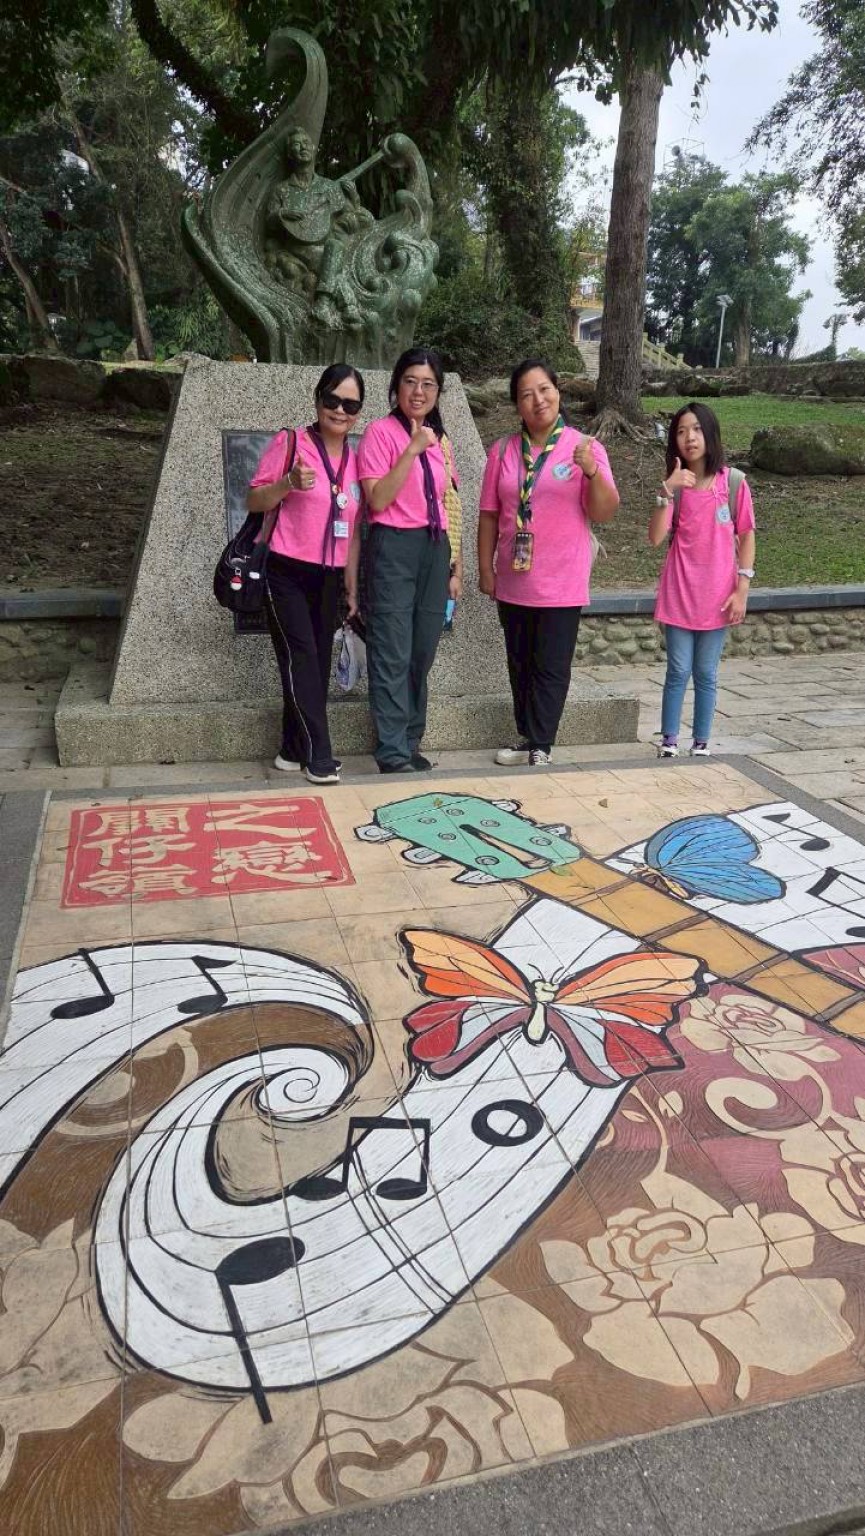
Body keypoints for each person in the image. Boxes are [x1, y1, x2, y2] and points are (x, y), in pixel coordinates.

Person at [478, 357, 619, 767]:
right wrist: (486, 568)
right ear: (517, 405)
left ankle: (542, 743)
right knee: (520, 662)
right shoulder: (503, 451)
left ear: (558, 392)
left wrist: (592, 472)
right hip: (515, 577)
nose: (538, 400)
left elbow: (605, 511)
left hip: (562, 580)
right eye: (526, 394)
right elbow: (488, 515)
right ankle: (526, 736)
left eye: (544, 390)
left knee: (551, 666)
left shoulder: (585, 447)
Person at [247, 363, 364, 784]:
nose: (340, 410)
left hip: (329, 577)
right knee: (303, 658)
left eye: (350, 404)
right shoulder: (292, 442)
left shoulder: (355, 458)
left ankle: (291, 750)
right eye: (332, 399)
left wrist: (351, 584)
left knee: (313, 664)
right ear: (318, 399)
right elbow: (254, 500)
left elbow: (353, 529)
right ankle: (319, 755)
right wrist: (288, 483)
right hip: (286, 572)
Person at [357, 346, 461, 773]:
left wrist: (455, 564)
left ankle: (411, 740)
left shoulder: (440, 440)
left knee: (422, 650)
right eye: (411, 382)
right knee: (392, 649)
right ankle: (392, 750)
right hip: (394, 547)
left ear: (438, 391)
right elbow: (378, 499)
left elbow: (449, 502)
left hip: (435, 549)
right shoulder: (380, 434)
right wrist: (412, 450)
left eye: (428, 384)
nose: (419, 391)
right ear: (396, 386)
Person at [649, 400, 756, 758]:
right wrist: (666, 490)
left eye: (696, 429)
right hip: (679, 593)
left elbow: (747, 536)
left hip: (718, 596)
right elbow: (655, 537)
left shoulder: (733, 483)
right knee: (678, 670)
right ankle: (669, 741)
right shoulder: (676, 487)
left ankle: (701, 743)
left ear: (710, 433)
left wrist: (742, 589)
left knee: (706, 673)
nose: (689, 438)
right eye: (681, 431)